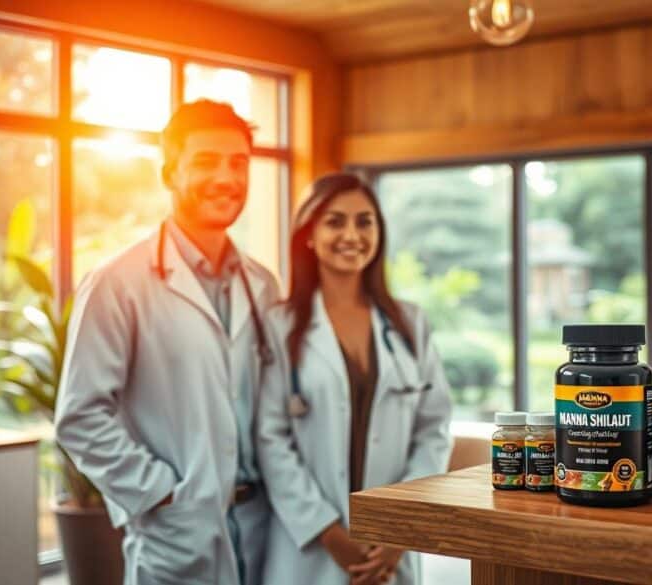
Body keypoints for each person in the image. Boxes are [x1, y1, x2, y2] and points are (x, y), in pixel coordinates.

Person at [55, 100, 277, 584]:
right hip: (180, 533)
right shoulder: (118, 283)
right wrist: (161, 493)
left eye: (238, 163)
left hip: (265, 530)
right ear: (169, 174)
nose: (226, 177)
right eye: (205, 162)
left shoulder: (263, 285)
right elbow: (80, 416)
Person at [257, 173, 452, 585]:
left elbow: (433, 430)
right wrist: (327, 533)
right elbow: (271, 438)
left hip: (390, 550)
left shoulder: (410, 324)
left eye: (365, 221)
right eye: (335, 221)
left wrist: (400, 529)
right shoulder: (281, 325)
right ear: (308, 235)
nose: (352, 234)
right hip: (308, 550)